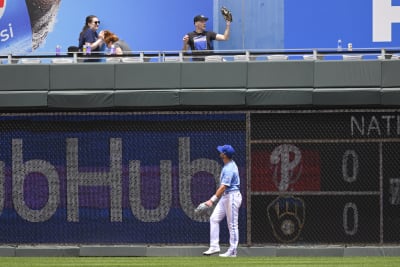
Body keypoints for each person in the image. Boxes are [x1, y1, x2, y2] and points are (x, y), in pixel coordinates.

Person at [203, 145, 242, 257]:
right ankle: (214, 246)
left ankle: (233, 251)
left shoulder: (229, 168)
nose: (219, 152)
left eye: (221, 151)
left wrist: (212, 200)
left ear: (224, 155)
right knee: (214, 219)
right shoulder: (228, 165)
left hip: (232, 196)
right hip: (226, 197)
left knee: (232, 225)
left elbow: (223, 186)